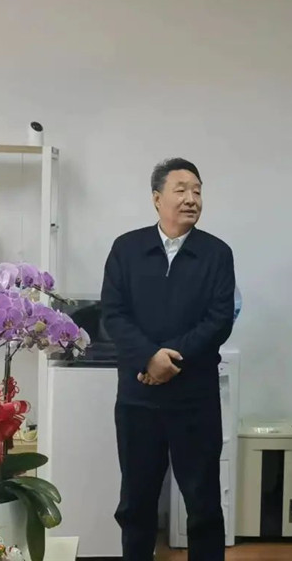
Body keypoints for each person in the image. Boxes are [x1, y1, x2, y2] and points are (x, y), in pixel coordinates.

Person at [101, 158, 234, 561]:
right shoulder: (127, 248)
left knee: (203, 503)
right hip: (138, 399)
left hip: (195, 399)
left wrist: (170, 360)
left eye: (197, 191)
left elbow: (219, 320)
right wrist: (148, 357)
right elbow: (113, 314)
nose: (191, 198)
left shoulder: (216, 253)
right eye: (181, 190)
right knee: (136, 503)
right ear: (157, 198)